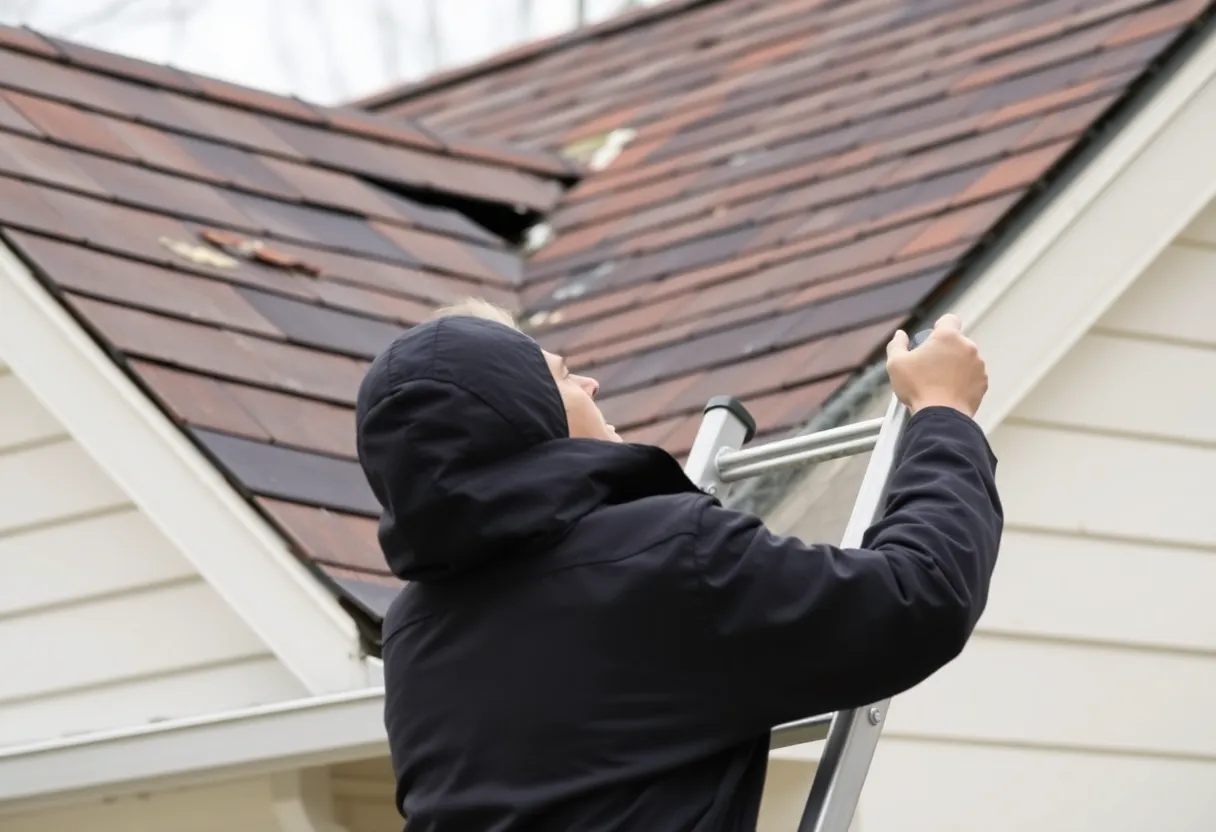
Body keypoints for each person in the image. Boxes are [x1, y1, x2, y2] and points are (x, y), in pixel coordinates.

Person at [355, 298, 1002, 832]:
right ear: (523, 413)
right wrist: (944, 411)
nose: (591, 383)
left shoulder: (413, 633)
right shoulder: (666, 556)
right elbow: (921, 594)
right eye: (561, 374)